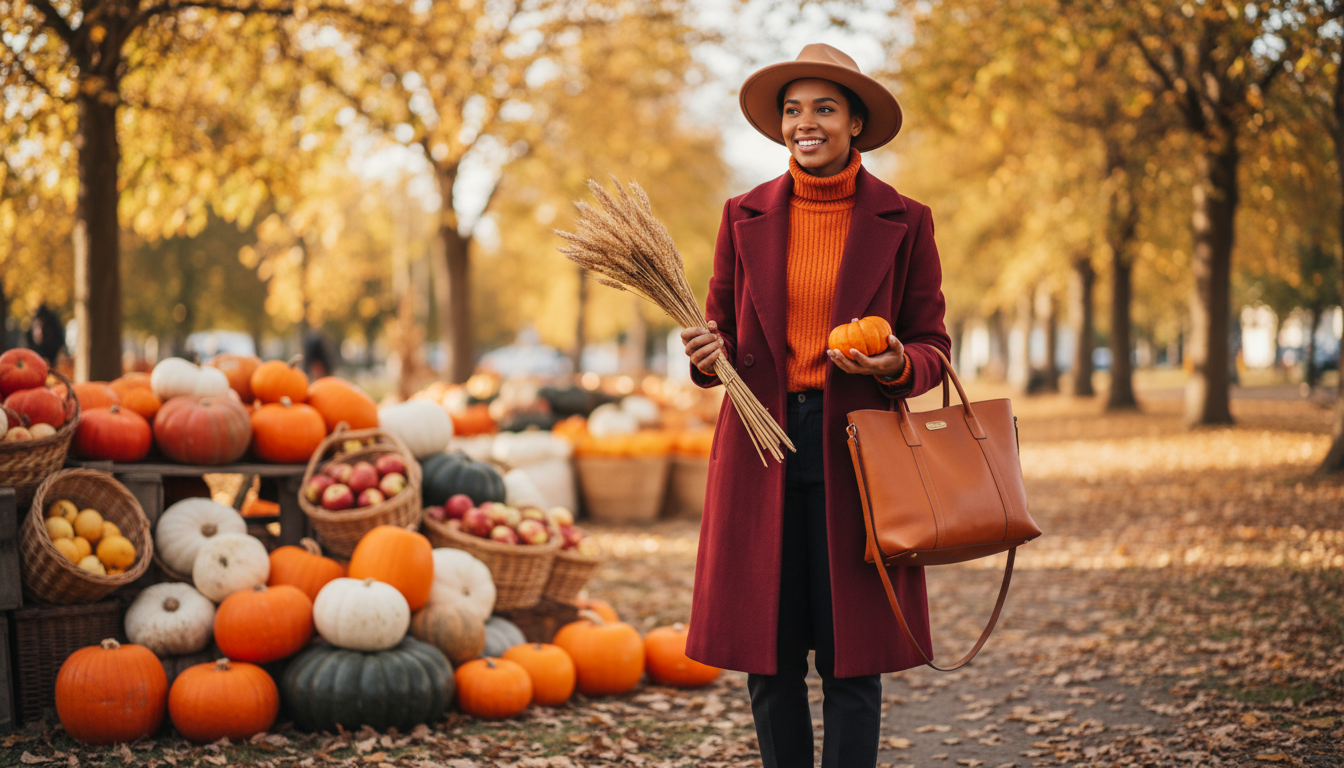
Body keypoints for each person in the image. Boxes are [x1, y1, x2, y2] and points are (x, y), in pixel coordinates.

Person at [679, 44, 951, 768]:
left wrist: (897, 363)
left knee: (851, 663)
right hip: (761, 447)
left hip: (861, 455)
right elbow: (723, 339)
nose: (807, 122)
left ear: (856, 123)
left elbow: (933, 348)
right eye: (793, 109)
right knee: (767, 663)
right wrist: (707, 357)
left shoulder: (907, 220)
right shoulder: (742, 215)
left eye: (825, 108)